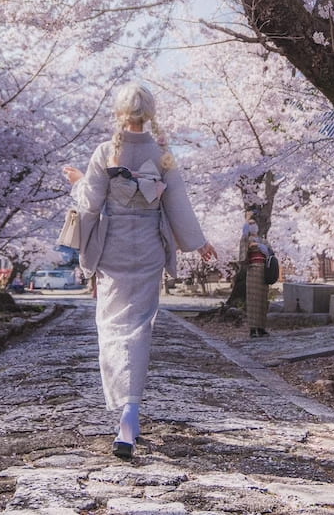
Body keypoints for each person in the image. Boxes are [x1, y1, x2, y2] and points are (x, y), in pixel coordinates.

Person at [62, 82, 217, 460]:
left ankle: (123, 409)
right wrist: (198, 242)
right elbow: (178, 202)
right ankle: (131, 413)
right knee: (140, 326)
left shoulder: (104, 153)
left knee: (112, 326)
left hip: (113, 247)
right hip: (148, 247)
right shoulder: (163, 154)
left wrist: (78, 180)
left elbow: (90, 205)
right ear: (150, 113)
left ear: (119, 112)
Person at [240, 212, 270, 338]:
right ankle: (252, 328)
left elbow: (270, 252)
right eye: (250, 224)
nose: (253, 226)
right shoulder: (246, 239)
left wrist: (259, 245)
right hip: (253, 270)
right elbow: (244, 241)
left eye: (254, 224)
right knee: (253, 299)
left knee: (263, 300)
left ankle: (261, 328)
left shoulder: (263, 240)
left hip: (263, 271)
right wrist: (247, 220)